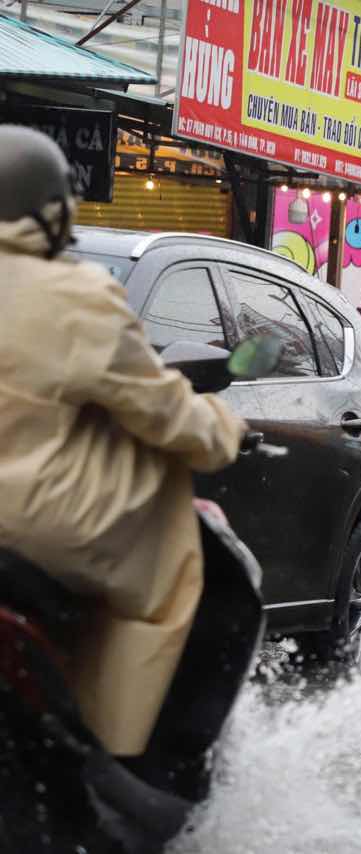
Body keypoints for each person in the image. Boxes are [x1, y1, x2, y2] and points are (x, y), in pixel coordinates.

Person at [0, 126, 247, 756]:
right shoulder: (76, 296)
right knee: (167, 581)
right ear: (53, 214)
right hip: (36, 534)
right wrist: (223, 429)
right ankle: (119, 752)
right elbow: (166, 413)